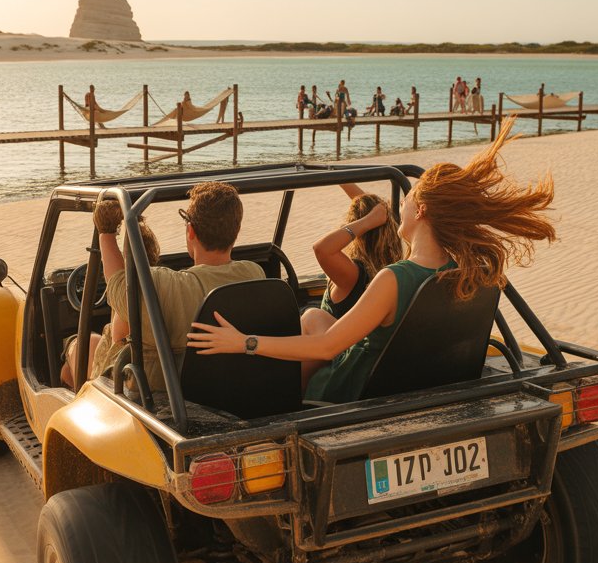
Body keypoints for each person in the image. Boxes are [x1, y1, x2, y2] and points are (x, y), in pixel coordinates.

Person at [188, 118, 555, 404]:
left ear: (421, 211)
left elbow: (326, 348)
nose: (401, 205)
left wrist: (245, 342)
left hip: (354, 391)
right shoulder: (464, 274)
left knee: (306, 336)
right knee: (314, 317)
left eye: (407, 200)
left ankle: (281, 410)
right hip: (408, 379)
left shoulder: (395, 279)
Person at [74, 182, 264, 395]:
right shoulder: (254, 275)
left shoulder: (163, 286)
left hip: (159, 397)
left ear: (190, 231)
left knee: (84, 345)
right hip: (227, 390)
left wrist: (106, 232)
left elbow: (118, 282)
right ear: (235, 231)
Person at [61, 220, 162, 386]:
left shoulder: (129, 298)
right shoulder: (166, 288)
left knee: (74, 348)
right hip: (132, 370)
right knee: (88, 340)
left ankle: (74, 393)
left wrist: (106, 232)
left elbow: (119, 340)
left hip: (113, 381)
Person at [313, 184, 402, 321]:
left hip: (336, 335)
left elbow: (322, 249)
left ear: (359, 233)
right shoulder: (394, 265)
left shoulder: (353, 275)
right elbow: (369, 207)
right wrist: (342, 180)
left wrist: (367, 221)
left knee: (310, 316)